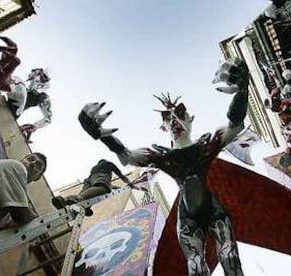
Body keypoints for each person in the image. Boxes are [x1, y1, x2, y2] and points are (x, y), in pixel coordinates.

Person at [78, 58, 248, 275]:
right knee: (196, 267)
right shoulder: (162, 155)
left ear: (190, 118)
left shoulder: (207, 144)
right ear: (163, 125)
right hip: (188, 218)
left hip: (212, 211)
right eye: (168, 116)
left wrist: (243, 90)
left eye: (180, 111)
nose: (175, 119)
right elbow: (127, 155)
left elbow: (235, 123)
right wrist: (101, 136)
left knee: (231, 259)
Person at [52, 159, 132, 216]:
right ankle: (78, 200)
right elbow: (120, 175)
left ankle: (65, 200)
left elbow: (106, 185)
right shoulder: (107, 164)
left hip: (89, 180)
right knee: (103, 189)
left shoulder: (94, 168)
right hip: (100, 175)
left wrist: (117, 188)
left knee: (89, 194)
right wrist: (129, 183)